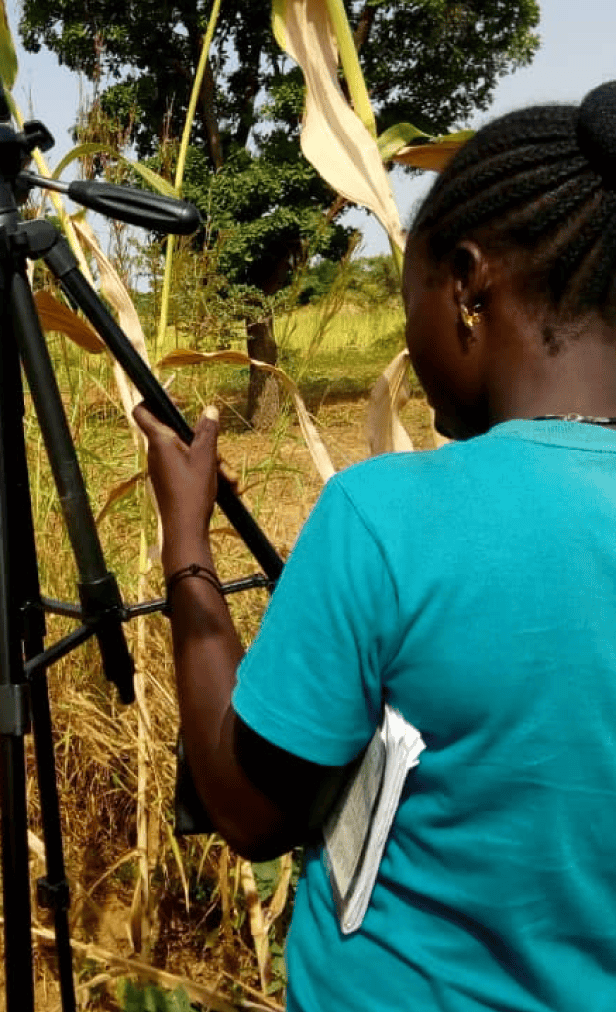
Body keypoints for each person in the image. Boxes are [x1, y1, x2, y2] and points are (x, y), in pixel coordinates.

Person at [135, 81, 616, 1010]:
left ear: (470, 283)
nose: (409, 336)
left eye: (412, 301)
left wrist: (185, 541)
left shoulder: (385, 516)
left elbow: (245, 808)